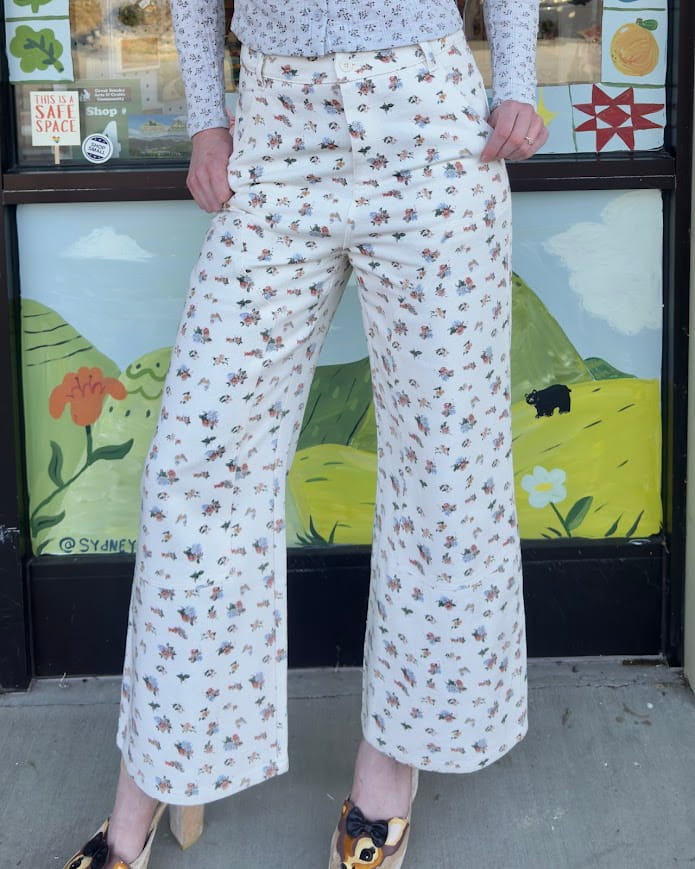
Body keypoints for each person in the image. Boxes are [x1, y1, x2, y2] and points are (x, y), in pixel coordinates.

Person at [64, 1, 547, 867]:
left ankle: (390, 765)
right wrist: (206, 122)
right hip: (276, 133)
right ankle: (160, 768)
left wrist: (514, 78)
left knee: (445, 459)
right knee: (195, 462)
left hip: (427, 131)